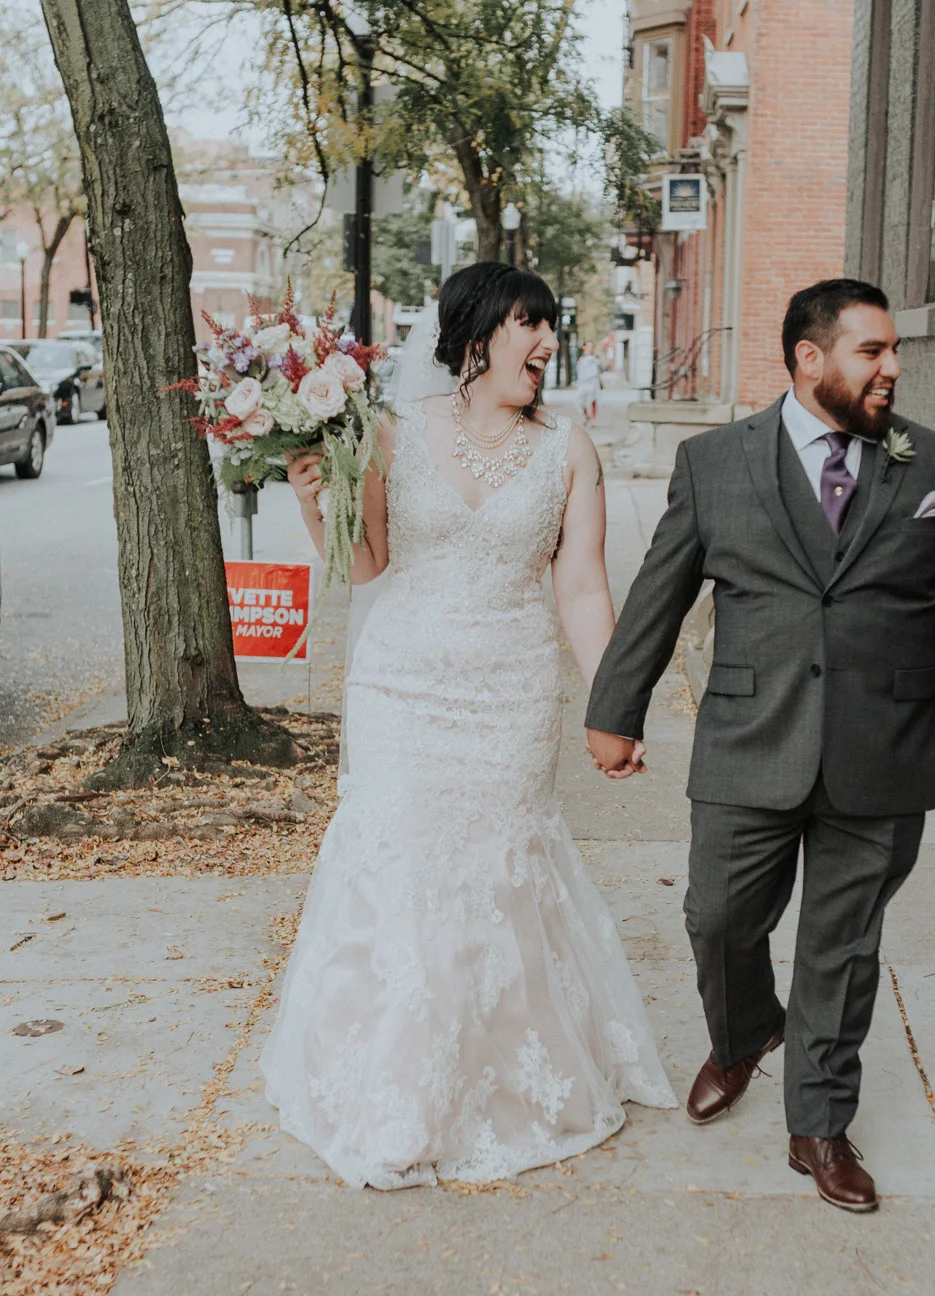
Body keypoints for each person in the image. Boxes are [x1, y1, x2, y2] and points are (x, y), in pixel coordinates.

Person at [584, 278, 935, 1213]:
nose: (893, 367)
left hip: (884, 745)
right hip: (750, 735)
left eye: (895, 349)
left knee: (841, 947)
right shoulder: (714, 463)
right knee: (717, 916)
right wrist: (615, 708)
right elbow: (660, 593)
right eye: (872, 351)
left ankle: (818, 1124)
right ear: (808, 358)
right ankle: (744, 1034)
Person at [262, 262, 675, 1189]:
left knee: (494, 873)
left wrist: (615, 703)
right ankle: (398, 1098)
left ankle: (495, 1080)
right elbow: (363, 564)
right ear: (476, 334)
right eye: (531, 324)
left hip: (511, 693)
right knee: (404, 869)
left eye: (550, 326)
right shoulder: (390, 433)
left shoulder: (568, 448)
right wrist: (311, 498)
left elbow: (582, 587)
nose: (548, 343)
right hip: (400, 688)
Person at [575, 342, 602, 423]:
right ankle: (586, 416)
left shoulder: (596, 358)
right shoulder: (582, 359)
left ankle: (593, 419)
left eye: (591, 347)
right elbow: (579, 370)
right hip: (583, 382)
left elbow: (599, 367)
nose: (589, 348)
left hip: (593, 381)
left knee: (593, 400)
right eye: (588, 346)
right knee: (580, 400)